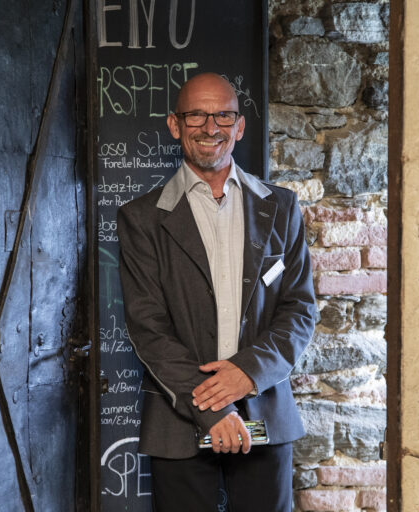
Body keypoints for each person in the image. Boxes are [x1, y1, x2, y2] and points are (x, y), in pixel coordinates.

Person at [117, 72, 316, 512]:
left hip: (265, 412)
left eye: (224, 115)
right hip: (178, 423)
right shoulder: (140, 218)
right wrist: (212, 408)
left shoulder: (281, 207)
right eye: (197, 116)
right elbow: (148, 327)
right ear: (175, 125)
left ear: (239, 126)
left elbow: (300, 311)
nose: (211, 127)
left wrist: (247, 373)